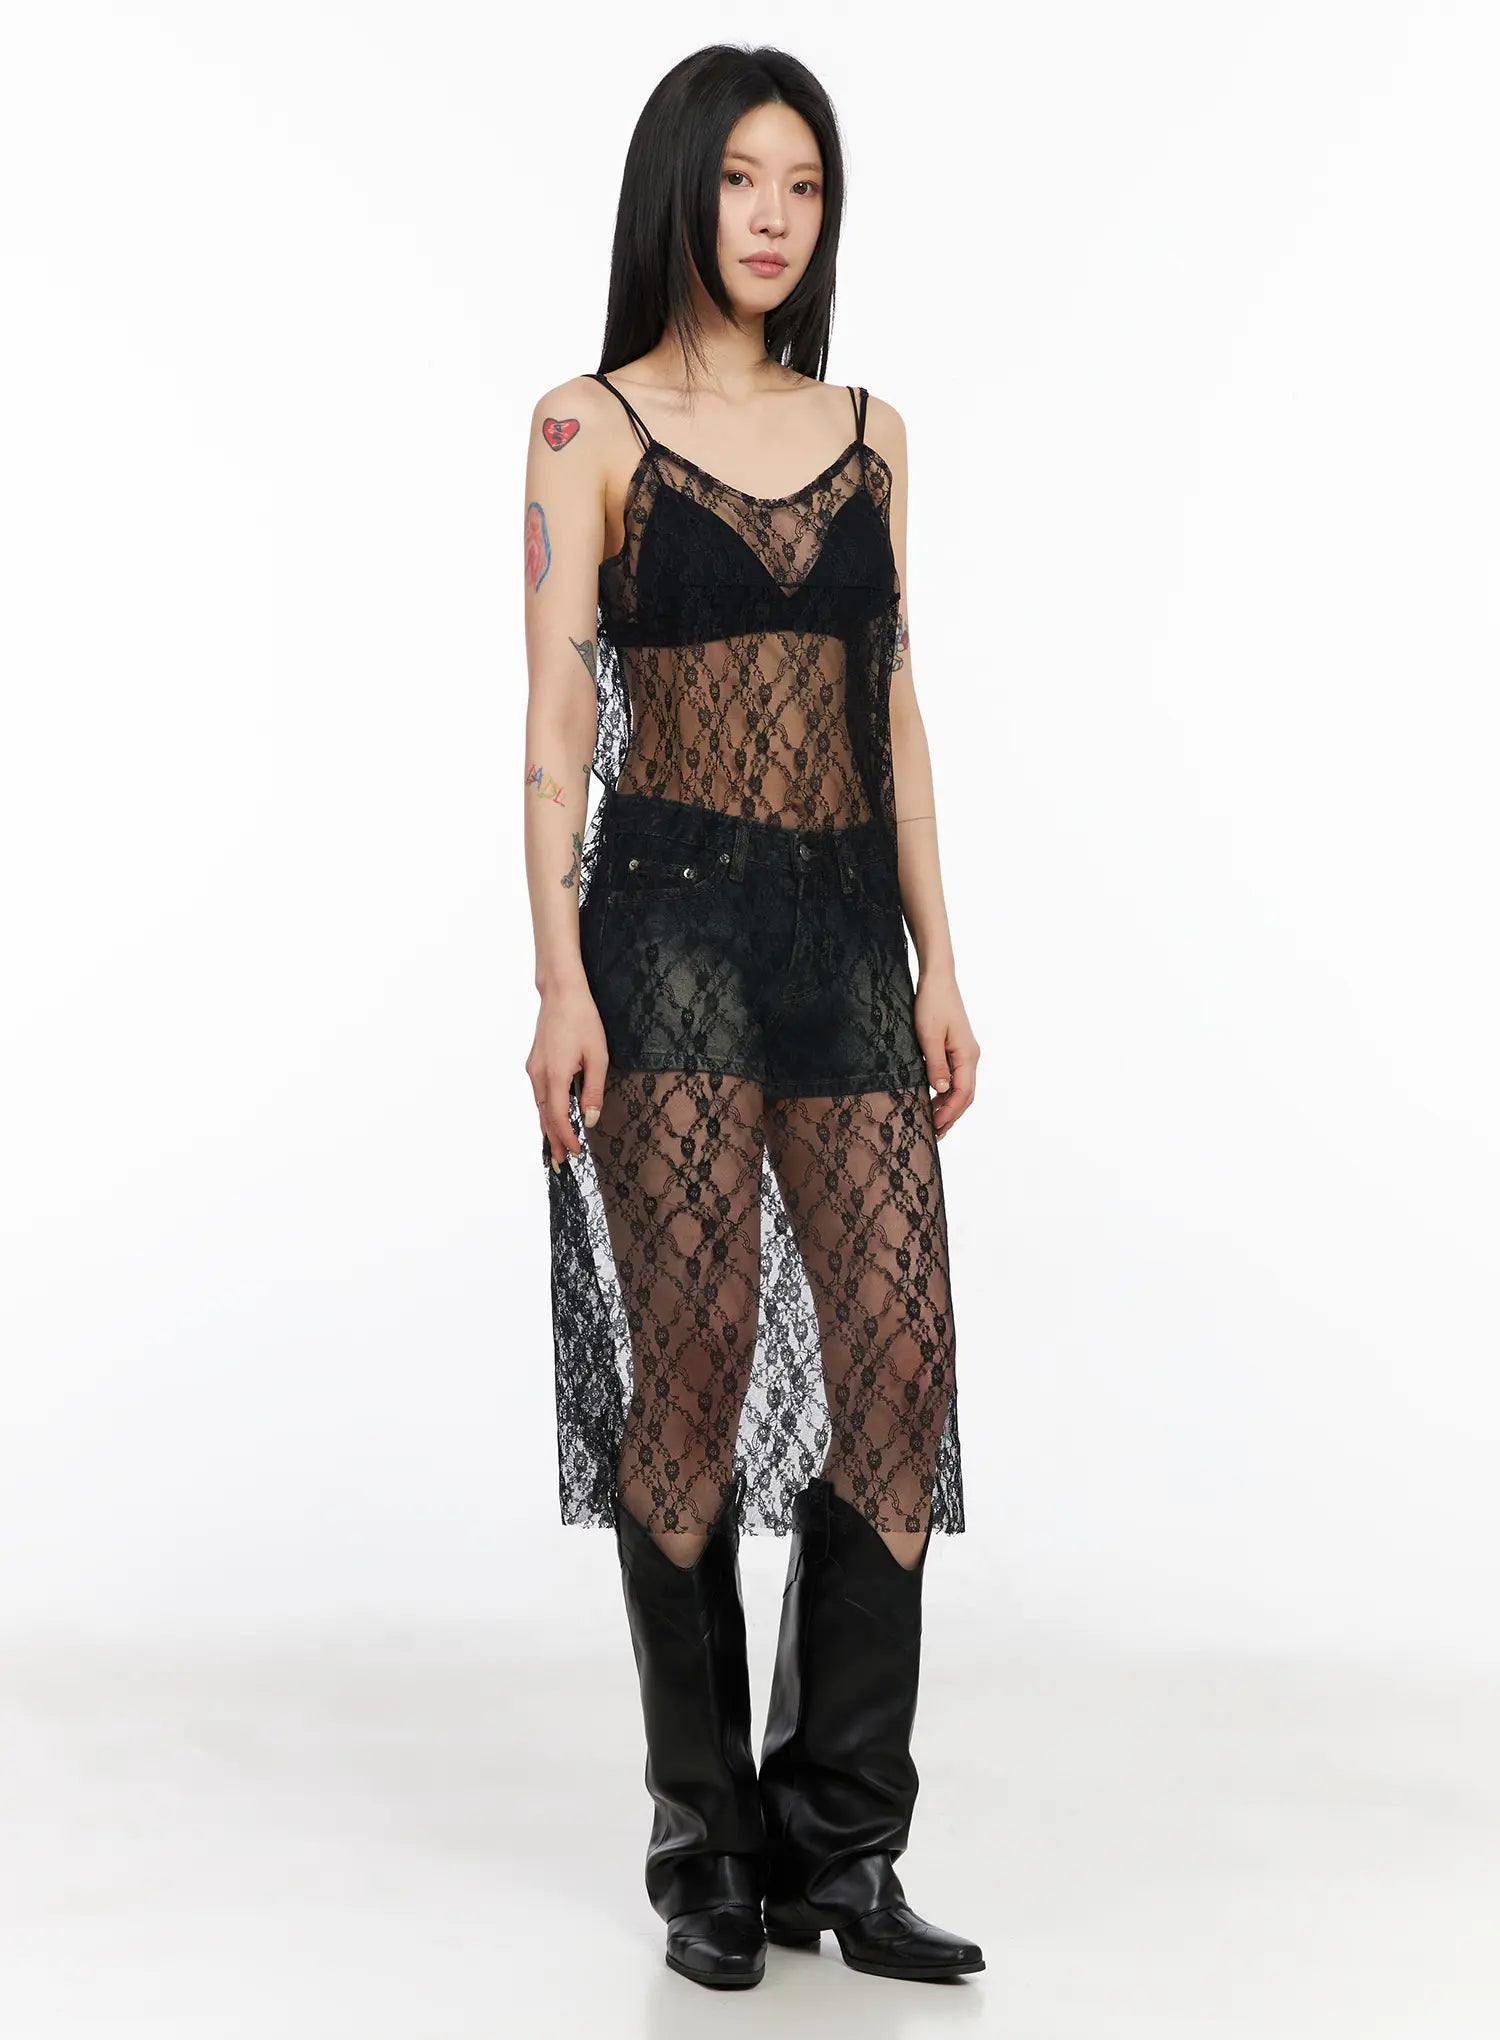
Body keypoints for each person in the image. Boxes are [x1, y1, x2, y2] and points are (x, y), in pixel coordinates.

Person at [521, 43, 984, 1991]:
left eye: (804, 183)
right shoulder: (588, 423)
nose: (776, 215)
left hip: (841, 926)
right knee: (698, 1350)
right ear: (681, 192)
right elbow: (559, 716)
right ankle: (706, 1840)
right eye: (742, 180)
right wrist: (557, 972)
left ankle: (841, 1847)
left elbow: (892, 699)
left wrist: (939, 957)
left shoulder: (873, 429)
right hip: (670, 916)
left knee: (900, 1362)